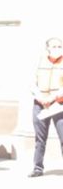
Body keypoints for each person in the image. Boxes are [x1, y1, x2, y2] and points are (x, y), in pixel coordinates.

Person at [29, 37, 63, 178]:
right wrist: (40, 97)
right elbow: (31, 83)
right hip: (40, 103)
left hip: (59, 104)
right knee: (40, 138)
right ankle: (38, 168)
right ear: (47, 48)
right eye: (54, 46)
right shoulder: (39, 62)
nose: (57, 49)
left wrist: (52, 97)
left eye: (59, 46)